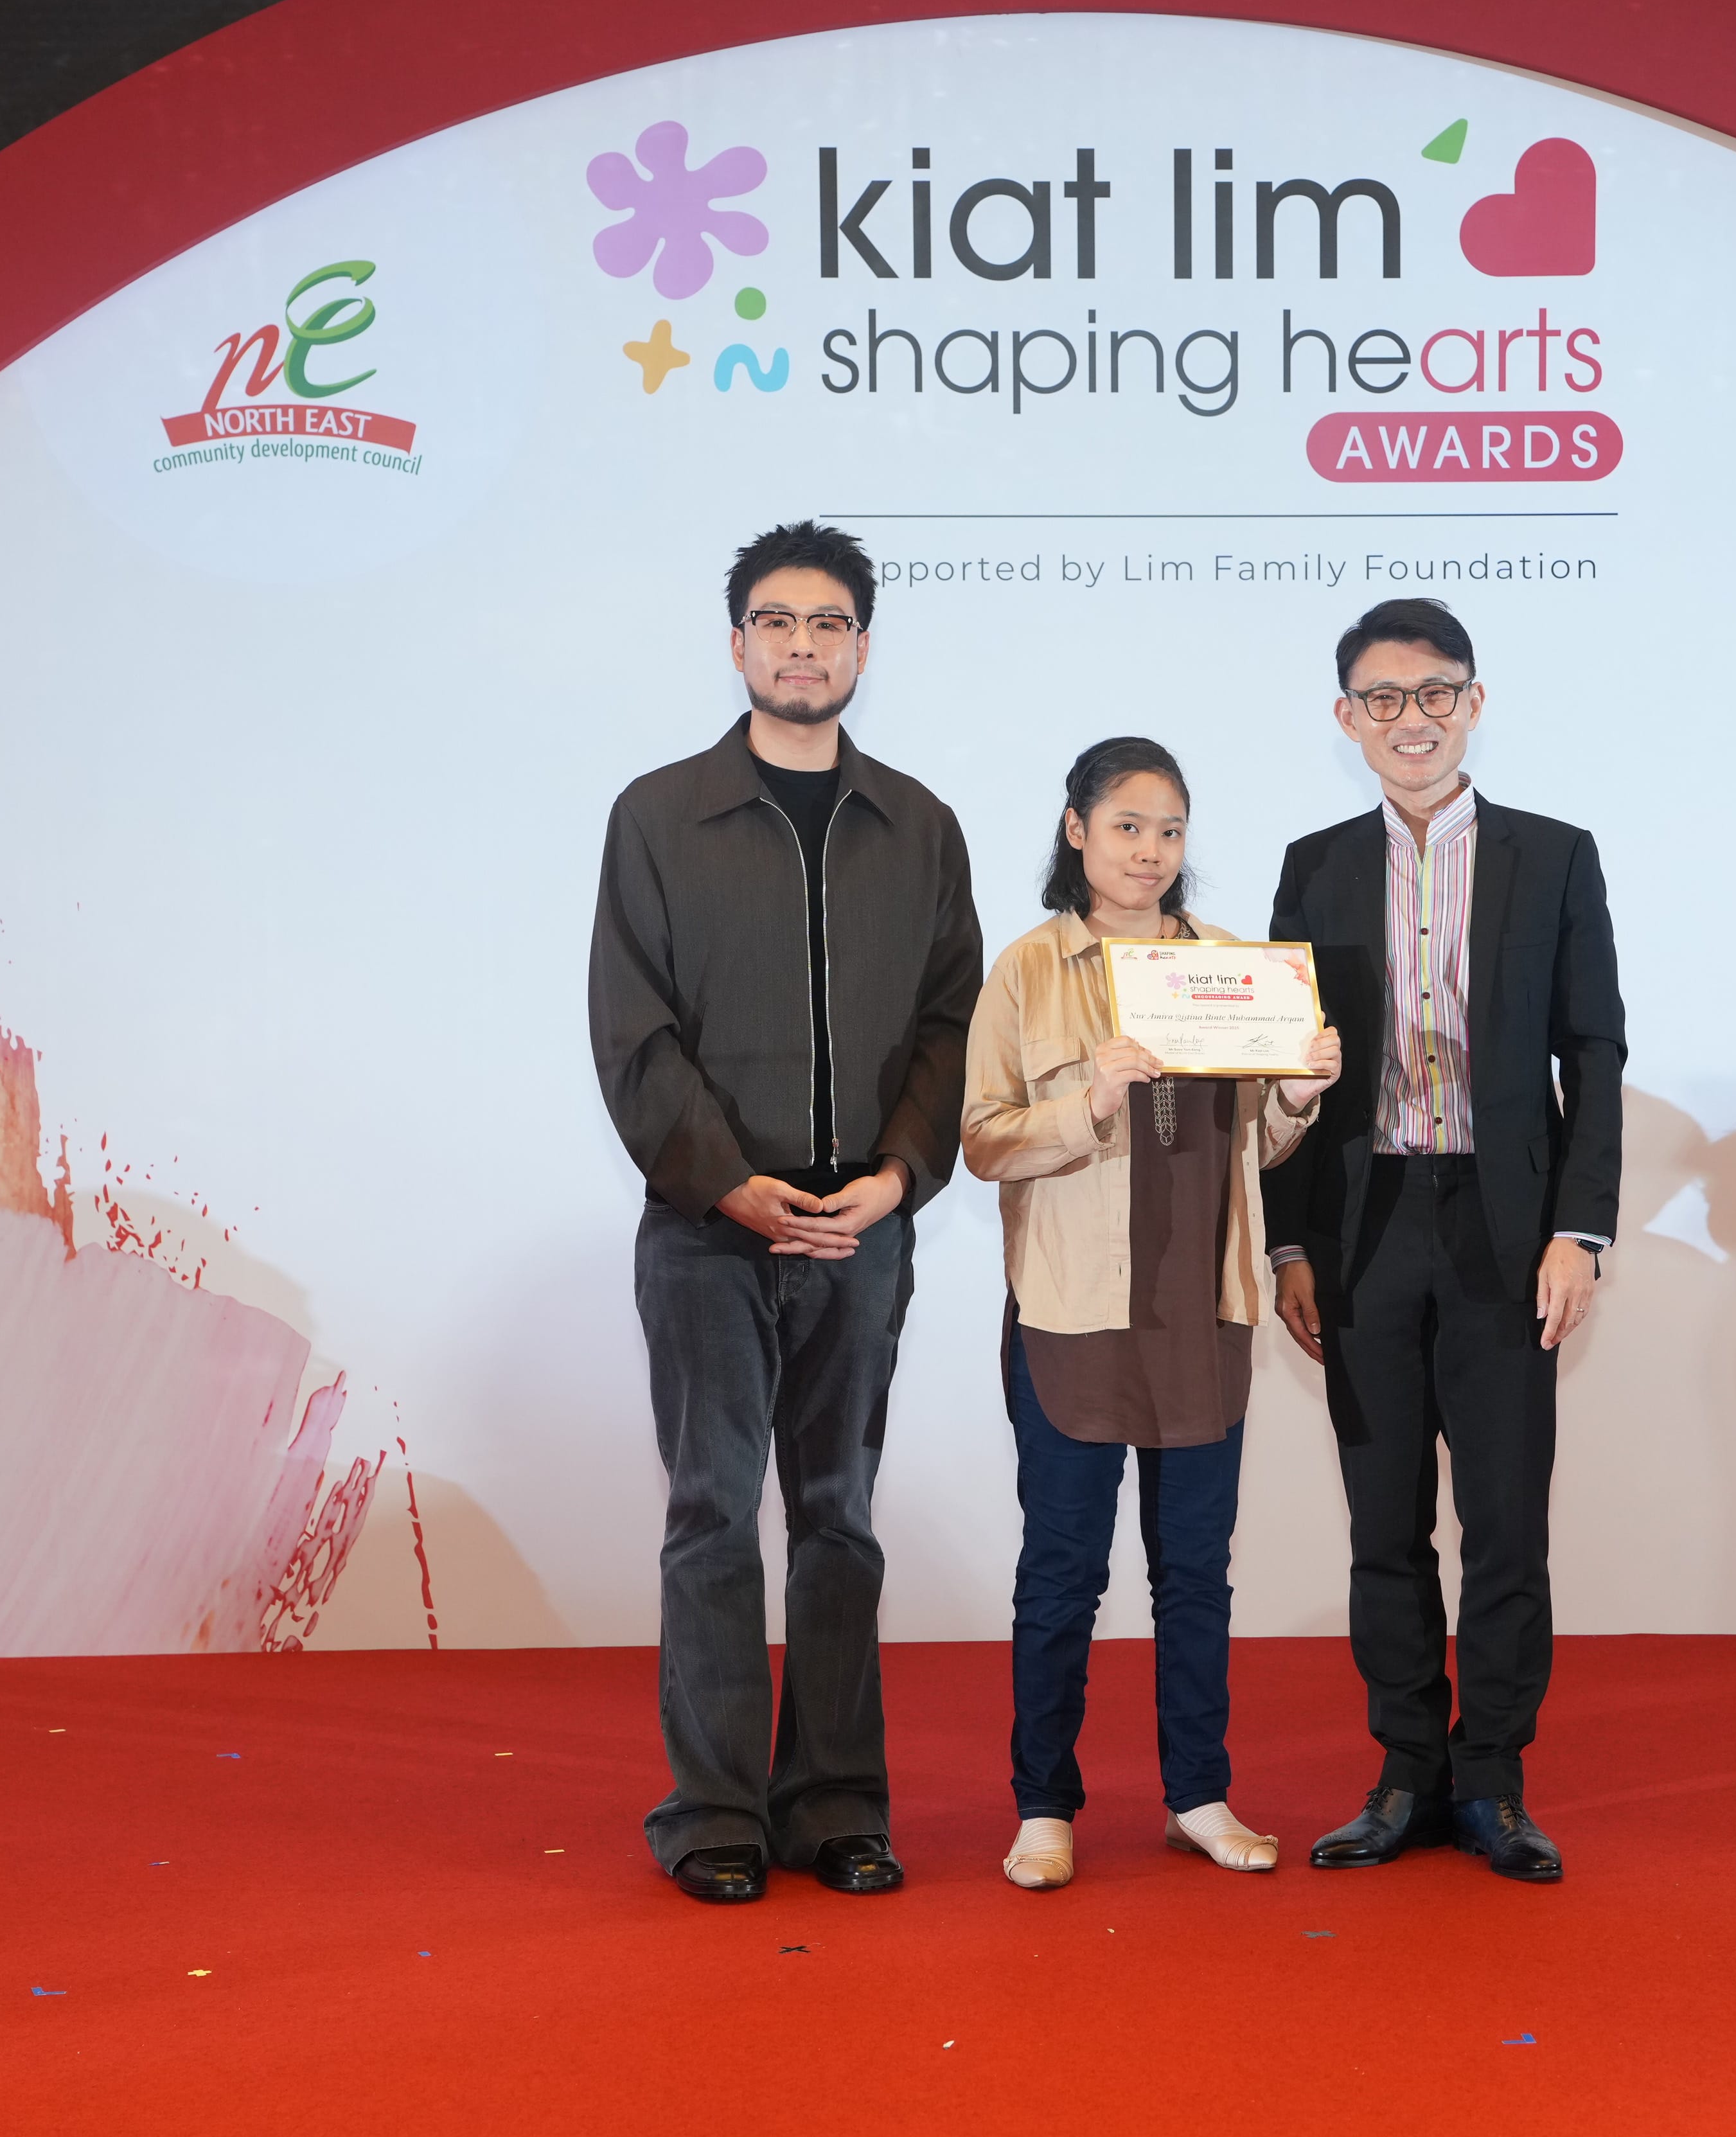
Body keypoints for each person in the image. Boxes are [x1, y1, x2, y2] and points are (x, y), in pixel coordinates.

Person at [587, 521, 982, 1904]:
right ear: (738, 640)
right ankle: (712, 1815)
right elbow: (632, 1035)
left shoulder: (920, 826)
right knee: (709, 1517)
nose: (803, 645)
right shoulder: (658, 816)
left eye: (828, 623)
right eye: (777, 621)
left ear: (863, 645)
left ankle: (834, 1808)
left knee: (839, 1518)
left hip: (863, 1230)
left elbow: (949, 1028)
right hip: (708, 1228)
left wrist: (895, 1179)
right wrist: (730, 1185)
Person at [1264, 598, 1625, 1884]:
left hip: (1505, 1220)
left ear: (1474, 702)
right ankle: (1407, 1772)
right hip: (1365, 1227)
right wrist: (1289, 1251)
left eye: (1433, 694)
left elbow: (1594, 1049)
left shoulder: (1555, 855)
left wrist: (1580, 1231)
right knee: (1382, 1523)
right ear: (1347, 718)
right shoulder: (1312, 867)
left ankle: (1496, 1783)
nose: (1407, 720)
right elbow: (1280, 1072)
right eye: (1381, 699)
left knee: (1507, 1524)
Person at [962, 740, 1341, 1892]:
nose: (1151, 852)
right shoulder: (1028, 971)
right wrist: (1094, 1097)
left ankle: (1199, 1795)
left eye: (1170, 830)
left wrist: (1298, 1093)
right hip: (1074, 1312)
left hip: (1201, 1309)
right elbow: (982, 1140)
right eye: (1127, 826)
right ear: (1075, 830)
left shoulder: (1234, 968)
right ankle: (1043, 1806)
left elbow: (1256, 1152)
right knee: (1061, 1572)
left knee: (1196, 1573)